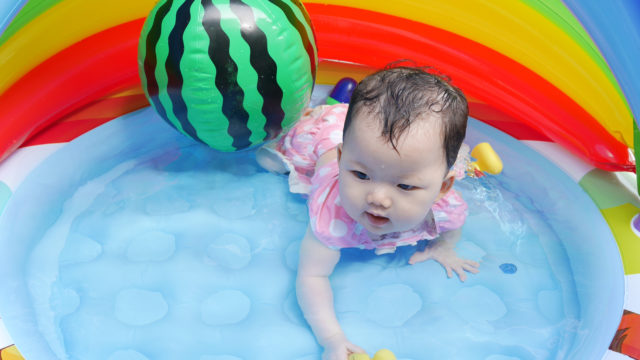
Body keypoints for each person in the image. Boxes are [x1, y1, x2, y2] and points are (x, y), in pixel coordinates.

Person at [256, 65, 480, 360]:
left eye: (404, 185)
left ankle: (341, 108)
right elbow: (311, 277)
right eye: (360, 176)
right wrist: (332, 339)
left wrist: (443, 247)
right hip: (323, 138)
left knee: (363, 143)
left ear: (443, 187)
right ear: (341, 161)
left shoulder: (443, 207)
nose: (377, 198)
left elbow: (454, 226)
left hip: (361, 142)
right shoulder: (331, 214)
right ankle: (327, 109)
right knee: (266, 160)